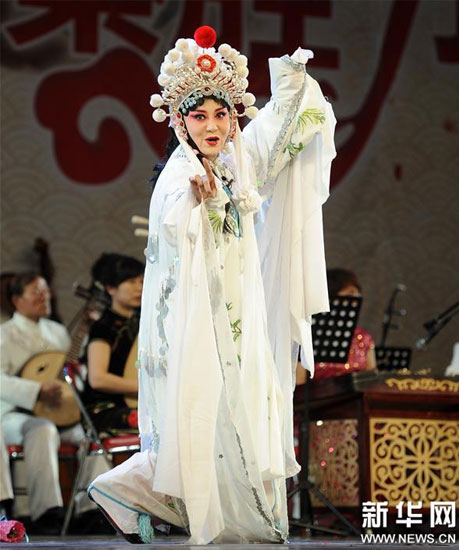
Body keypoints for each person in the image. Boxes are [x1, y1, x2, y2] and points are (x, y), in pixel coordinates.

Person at [88, 25, 336, 544]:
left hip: (237, 311)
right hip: (200, 320)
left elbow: (278, 135)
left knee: (237, 408)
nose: (212, 125)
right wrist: (198, 202)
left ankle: (135, 491)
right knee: (207, 411)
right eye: (198, 116)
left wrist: (291, 81)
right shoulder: (179, 175)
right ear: (179, 121)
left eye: (221, 114)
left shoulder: (234, 162)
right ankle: (131, 488)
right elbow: (175, 222)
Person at [0, 273, 108, 533]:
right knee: (43, 429)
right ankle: (46, 512)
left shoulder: (58, 331)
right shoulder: (4, 334)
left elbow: (72, 368)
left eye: (45, 291)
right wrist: (36, 390)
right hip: (16, 415)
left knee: (90, 438)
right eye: (36, 292)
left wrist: (87, 332)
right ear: (16, 300)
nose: (44, 297)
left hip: (60, 411)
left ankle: (93, 509)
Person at [82, 254, 144, 433]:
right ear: (111, 288)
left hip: (135, 403)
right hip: (106, 409)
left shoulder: (143, 323)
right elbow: (97, 379)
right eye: (131, 282)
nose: (139, 288)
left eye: (141, 281)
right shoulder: (103, 327)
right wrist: (143, 388)